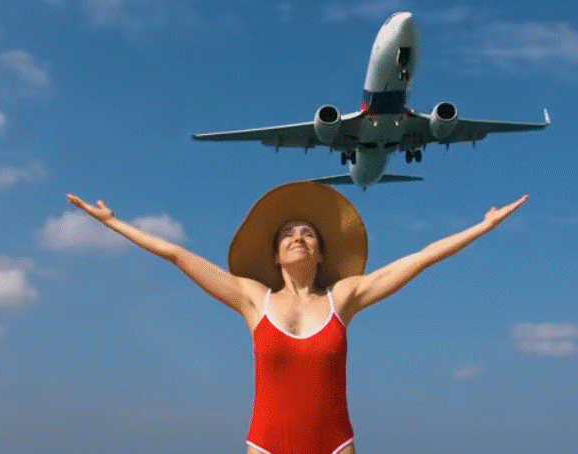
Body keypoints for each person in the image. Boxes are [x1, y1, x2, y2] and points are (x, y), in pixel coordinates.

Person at [67, 181, 527, 454]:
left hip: (335, 445)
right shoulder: (253, 299)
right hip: (266, 445)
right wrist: (112, 223)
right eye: (287, 234)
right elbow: (177, 255)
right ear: (276, 254)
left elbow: (420, 258)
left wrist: (483, 226)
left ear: (321, 252)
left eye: (308, 233)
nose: (297, 237)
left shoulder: (344, 297)